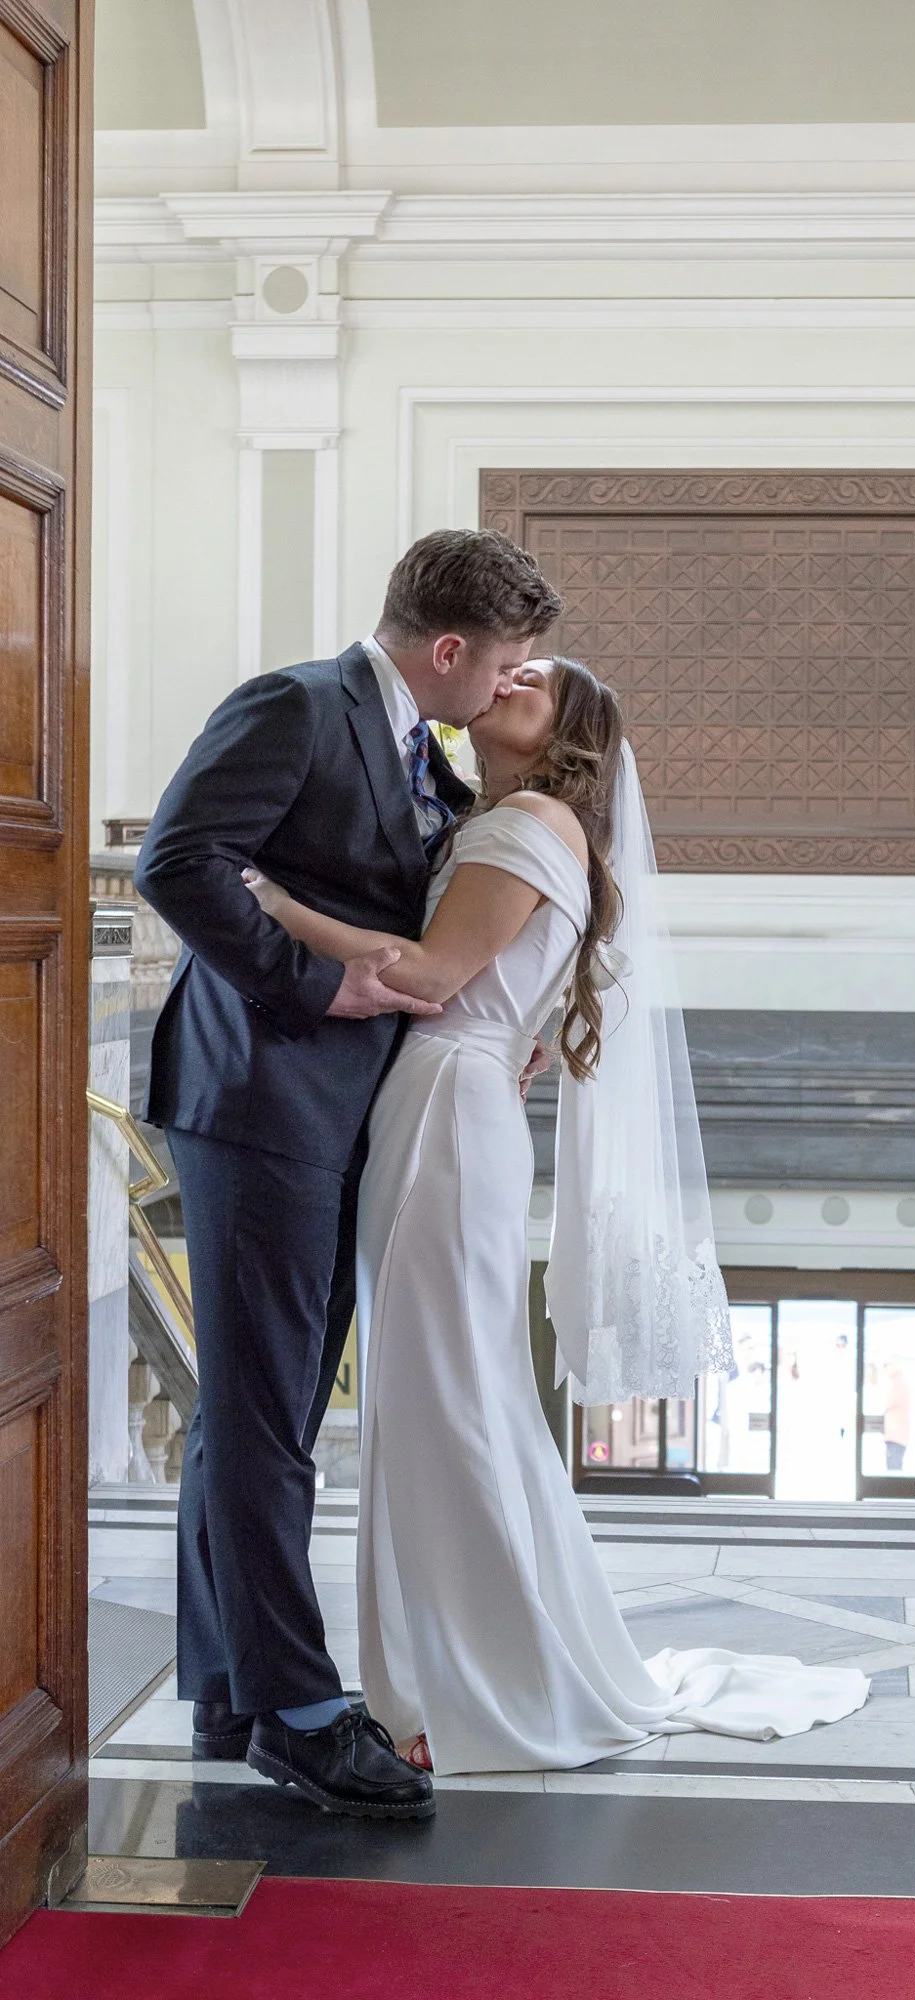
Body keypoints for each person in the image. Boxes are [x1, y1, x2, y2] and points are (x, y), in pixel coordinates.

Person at [247, 658, 870, 1774]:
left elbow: (434, 972)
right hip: (454, 1105)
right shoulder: (520, 821)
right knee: (452, 1392)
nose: (509, 675)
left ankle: (477, 1679)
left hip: (445, 1105)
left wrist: (274, 904)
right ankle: (466, 1667)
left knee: (442, 1400)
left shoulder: (529, 820)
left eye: (534, 677)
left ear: (568, 729)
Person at [133, 529, 562, 1817]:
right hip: (259, 1091)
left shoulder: (419, 747)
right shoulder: (296, 705)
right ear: (447, 649)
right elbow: (175, 861)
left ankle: (226, 1681)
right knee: (270, 1418)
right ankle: (305, 1712)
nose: (505, 687)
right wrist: (320, 982)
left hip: (330, 1108)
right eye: (504, 665)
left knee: (253, 1408)